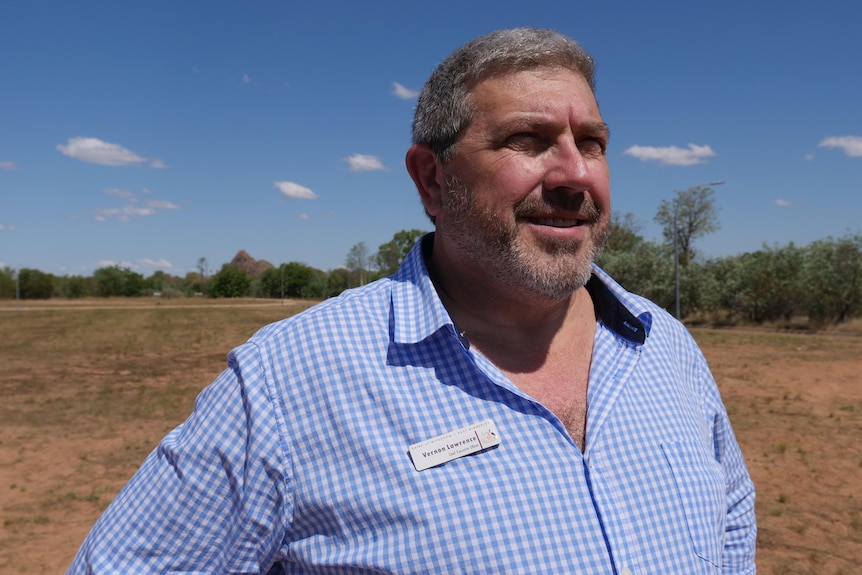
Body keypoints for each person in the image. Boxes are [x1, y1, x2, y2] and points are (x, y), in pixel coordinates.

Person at [67, 27, 756, 574]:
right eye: (530, 139)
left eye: (594, 143)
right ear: (432, 180)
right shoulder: (290, 382)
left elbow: (731, 525)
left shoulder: (665, 346)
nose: (575, 172)